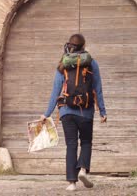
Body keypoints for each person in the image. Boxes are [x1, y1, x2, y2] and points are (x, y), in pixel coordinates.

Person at [41, 34, 107, 191]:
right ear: (84, 46)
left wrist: (47, 113)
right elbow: (97, 89)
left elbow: (56, 90)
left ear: (69, 45)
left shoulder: (63, 64)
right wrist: (102, 111)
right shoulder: (92, 63)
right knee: (86, 142)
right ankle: (83, 169)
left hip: (66, 111)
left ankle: (71, 183)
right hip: (86, 111)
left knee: (71, 144)